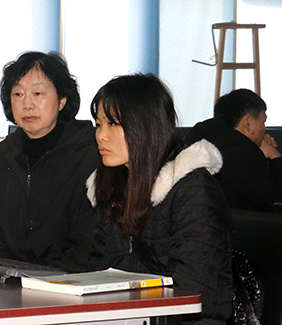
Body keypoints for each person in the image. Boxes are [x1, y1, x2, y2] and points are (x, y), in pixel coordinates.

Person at [86, 73, 232, 324]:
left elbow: (192, 291)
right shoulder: (111, 185)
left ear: (145, 126)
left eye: (113, 124)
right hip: (130, 316)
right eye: (98, 124)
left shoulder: (193, 189)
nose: (101, 135)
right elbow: (99, 268)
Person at [0, 51, 98, 270]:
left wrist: (42, 280)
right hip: (9, 279)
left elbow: (88, 246)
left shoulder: (90, 156)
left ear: (62, 100)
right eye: (18, 94)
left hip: (69, 279)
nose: (27, 104)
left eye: (38, 93)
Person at [183, 89, 282, 211]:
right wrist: (275, 157)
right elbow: (274, 200)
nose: (264, 129)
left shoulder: (195, 139)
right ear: (248, 123)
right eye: (263, 122)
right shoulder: (245, 154)